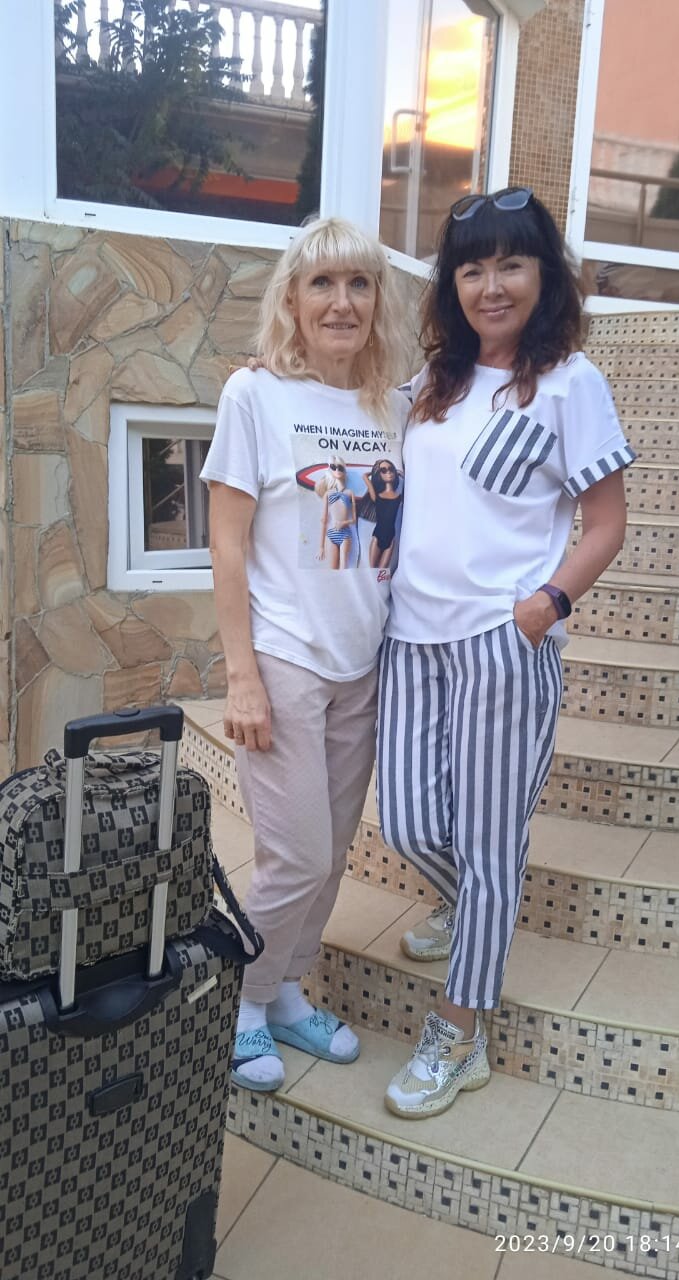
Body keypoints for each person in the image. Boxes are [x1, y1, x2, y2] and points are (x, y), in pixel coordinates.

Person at [376, 187, 635, 1119]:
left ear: (543, 274)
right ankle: (467, 909)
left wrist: (545, 606)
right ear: (452, 282)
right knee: (407, 823)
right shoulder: (435, 380)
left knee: (489, 845)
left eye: (511, 264)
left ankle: (461, 1032)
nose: (491, 285)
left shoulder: (570, 383)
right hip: (411, 637)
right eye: (472, 267)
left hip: (501, 642)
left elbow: (605, 523)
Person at [200, 217, 408, 1092]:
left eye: (359, 284)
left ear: (377, 301)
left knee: (332, 849)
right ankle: (241, 1006)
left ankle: (287, 992)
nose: (341, 302)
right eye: (322, 283)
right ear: (292, 299)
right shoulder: (255, 396)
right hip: (285, 658)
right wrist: (242, 677)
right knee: (298, 857)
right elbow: (227, 545)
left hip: (363, 664)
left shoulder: (393, 406)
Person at [316, 456, 360, 569]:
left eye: (340, 468)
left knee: (343, 567)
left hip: (345, 534)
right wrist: (321, 547)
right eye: (333, 467)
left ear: (344, 471)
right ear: (330, 470)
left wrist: (344, 523)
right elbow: (324, 521)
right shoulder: (328, 494)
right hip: (331, 534)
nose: (337, 470)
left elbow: (354, 519)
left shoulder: (350, 493)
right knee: (332, 569)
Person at [362, 458, 404, 568]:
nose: (388, 472)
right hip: (377, 537)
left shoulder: (399, 497)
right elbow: (364, 476)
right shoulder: (377, 496)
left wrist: (400, 473)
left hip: (391, 539)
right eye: (384, 470)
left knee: (382, 573)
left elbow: (411, 486)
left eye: (391, 469)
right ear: (379, 474)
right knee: (372, 571)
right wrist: (375, 472)